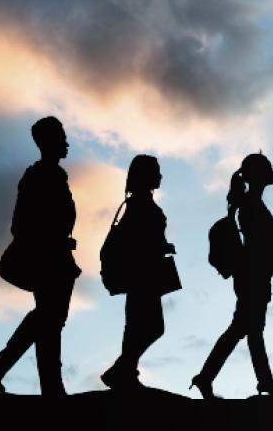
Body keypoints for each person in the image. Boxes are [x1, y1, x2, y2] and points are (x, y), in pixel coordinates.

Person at [0, 116, 81, 396]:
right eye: (61, 137)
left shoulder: (56, 175)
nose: (66, 143)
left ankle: (6, 364)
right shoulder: (37, 176)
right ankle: (50, 386)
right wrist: (50, 240)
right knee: (50, 320)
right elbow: (20, 224)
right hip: (47, 259)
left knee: (49, 319)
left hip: (58, 256)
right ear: (47, 142)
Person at [191, 153, 273, 398]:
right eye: (268, 168)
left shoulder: (250, 202)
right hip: (252, 277)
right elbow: (256, 246)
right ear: (258, 175)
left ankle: (207, 377)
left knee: (245, 330)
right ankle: (263, 381)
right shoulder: (250, 204)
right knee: (247, 330)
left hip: (255, 277)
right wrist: (260, 277)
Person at [100, 155, 178, 390]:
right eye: (156, 171)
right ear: (146, 176)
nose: (160, 176)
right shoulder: (139, 205)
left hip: (145, 274)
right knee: (149, 327)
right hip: (142, 275)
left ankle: (125, 371)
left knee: (138, 326)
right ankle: (122, 370)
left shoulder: (139, 203)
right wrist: (161, 247)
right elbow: (138, 242)